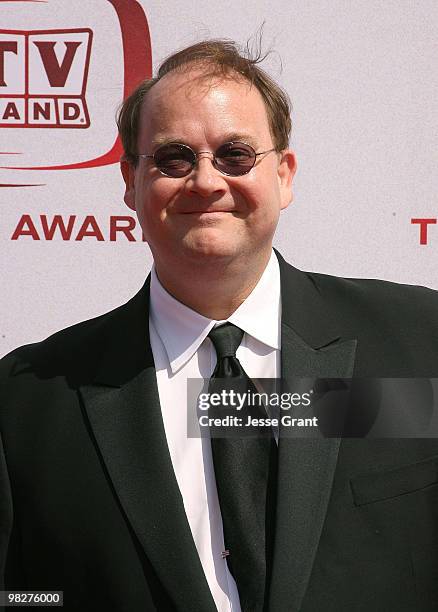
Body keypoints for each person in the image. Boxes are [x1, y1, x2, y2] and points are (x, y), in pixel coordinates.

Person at [1, 39, 438, 612]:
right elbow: (22, 596)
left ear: (284, 175)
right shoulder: (31, 399)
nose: (205, 182)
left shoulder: (420, 342)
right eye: (174, 158)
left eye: (235, 155)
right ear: (130, 182)